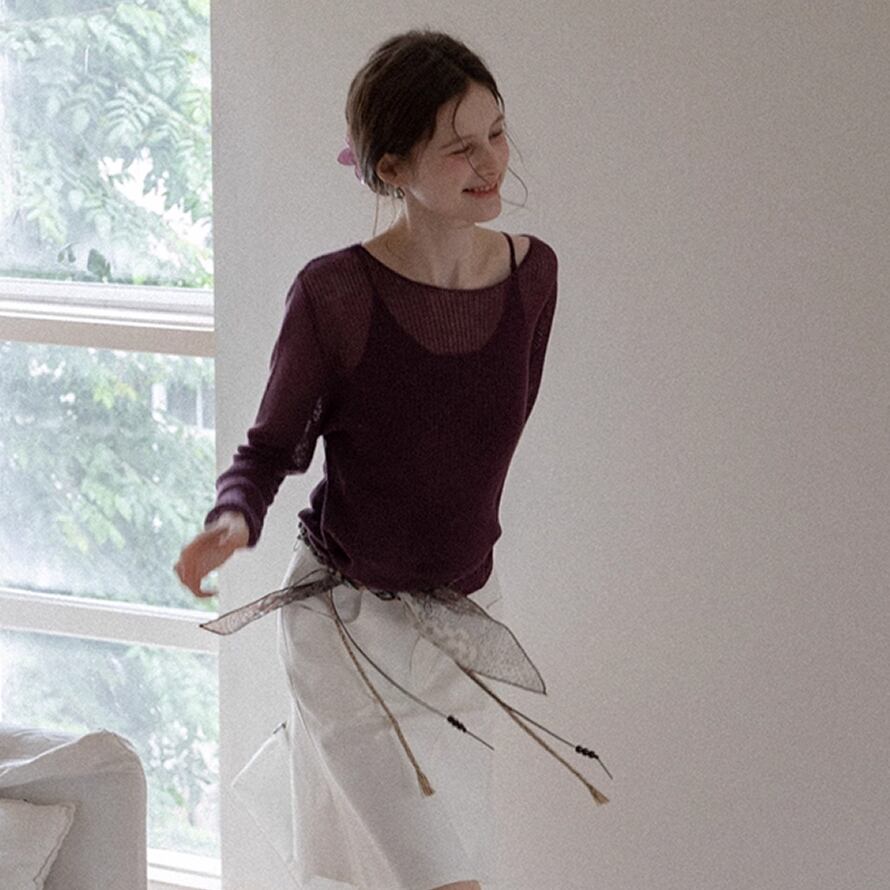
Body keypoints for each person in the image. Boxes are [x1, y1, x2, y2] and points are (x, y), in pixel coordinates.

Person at [174, 28, 591, 890]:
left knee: (436, 867)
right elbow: (270, 447)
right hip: (350, 632)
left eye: (497, 132)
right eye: (460, 147)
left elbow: (477, 442)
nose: (491, 162)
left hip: (468, 628)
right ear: (393, 167)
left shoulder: (535, 279)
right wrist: (232, 518)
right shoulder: (336, 295)